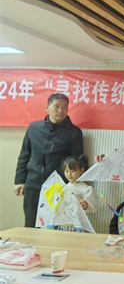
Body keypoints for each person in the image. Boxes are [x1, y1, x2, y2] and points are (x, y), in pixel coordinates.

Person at [14, 93, 84, 227]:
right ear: (47, 107)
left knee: (53, 224)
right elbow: (24, 155)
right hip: (33, 183)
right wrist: (19, 181)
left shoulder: (74, 132)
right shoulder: (34, 128)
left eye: (64, 107)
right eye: (56, 106)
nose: (61, 110)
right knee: (30, 223)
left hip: (57, 186)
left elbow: (76, 161)